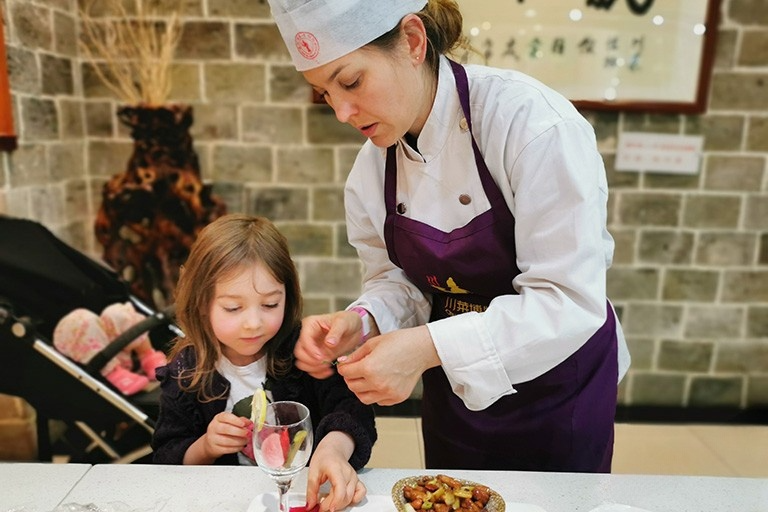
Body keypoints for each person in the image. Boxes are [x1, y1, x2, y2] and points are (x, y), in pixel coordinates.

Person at [267, 0, 631, 472]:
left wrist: (426, 347)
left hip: (559, 387)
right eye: (323, 93)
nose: (341, 111)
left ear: (414, 41)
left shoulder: (531, 125)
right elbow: (397, 281)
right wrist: (362, 321)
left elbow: (566, 298)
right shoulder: (371, 171)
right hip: (456, 391)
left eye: (351, 81)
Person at [151, 214, 376, 512]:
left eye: (270, 304)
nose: (253, 323)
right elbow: (165, 457)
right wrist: (205, 446)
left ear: (288, 296)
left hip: (306, 494)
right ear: (202, 304)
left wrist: (333, 449)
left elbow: (352, 408)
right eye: (233, 308)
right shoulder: (186, 371)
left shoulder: (300, 350)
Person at [53, 302, 167, 396]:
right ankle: (113, 372)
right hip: (97, 363)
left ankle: (148, 355)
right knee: (79, 320)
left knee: (115, 312)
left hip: (119, 348)